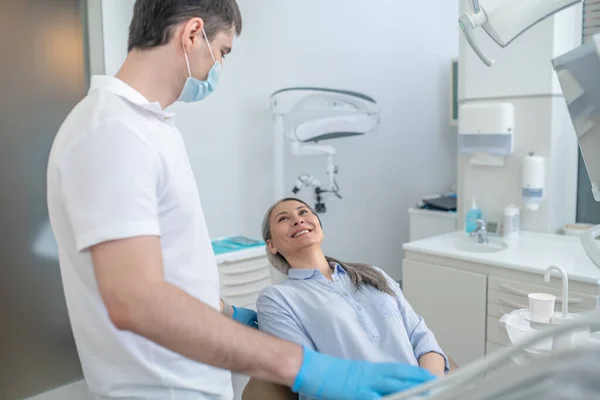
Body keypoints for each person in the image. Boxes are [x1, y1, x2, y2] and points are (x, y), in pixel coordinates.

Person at [46, 1, 436, 399]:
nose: (218, 67)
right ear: (193, 33)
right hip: (160, 388)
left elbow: (167, 274)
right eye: (223, 51)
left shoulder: (150, 128)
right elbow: (134, 299)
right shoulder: (113, 130)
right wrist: (303, 365)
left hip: (193, 381)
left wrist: (230, 313)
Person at [243, 197, 450, 399]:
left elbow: (423, 340)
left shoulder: (373, 275)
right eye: (283, 219)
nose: (297, 219)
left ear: (320, 228)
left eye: (303, 211)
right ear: (271, 246)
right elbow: (309, 374)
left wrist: (426, 391)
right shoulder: (278, 298)